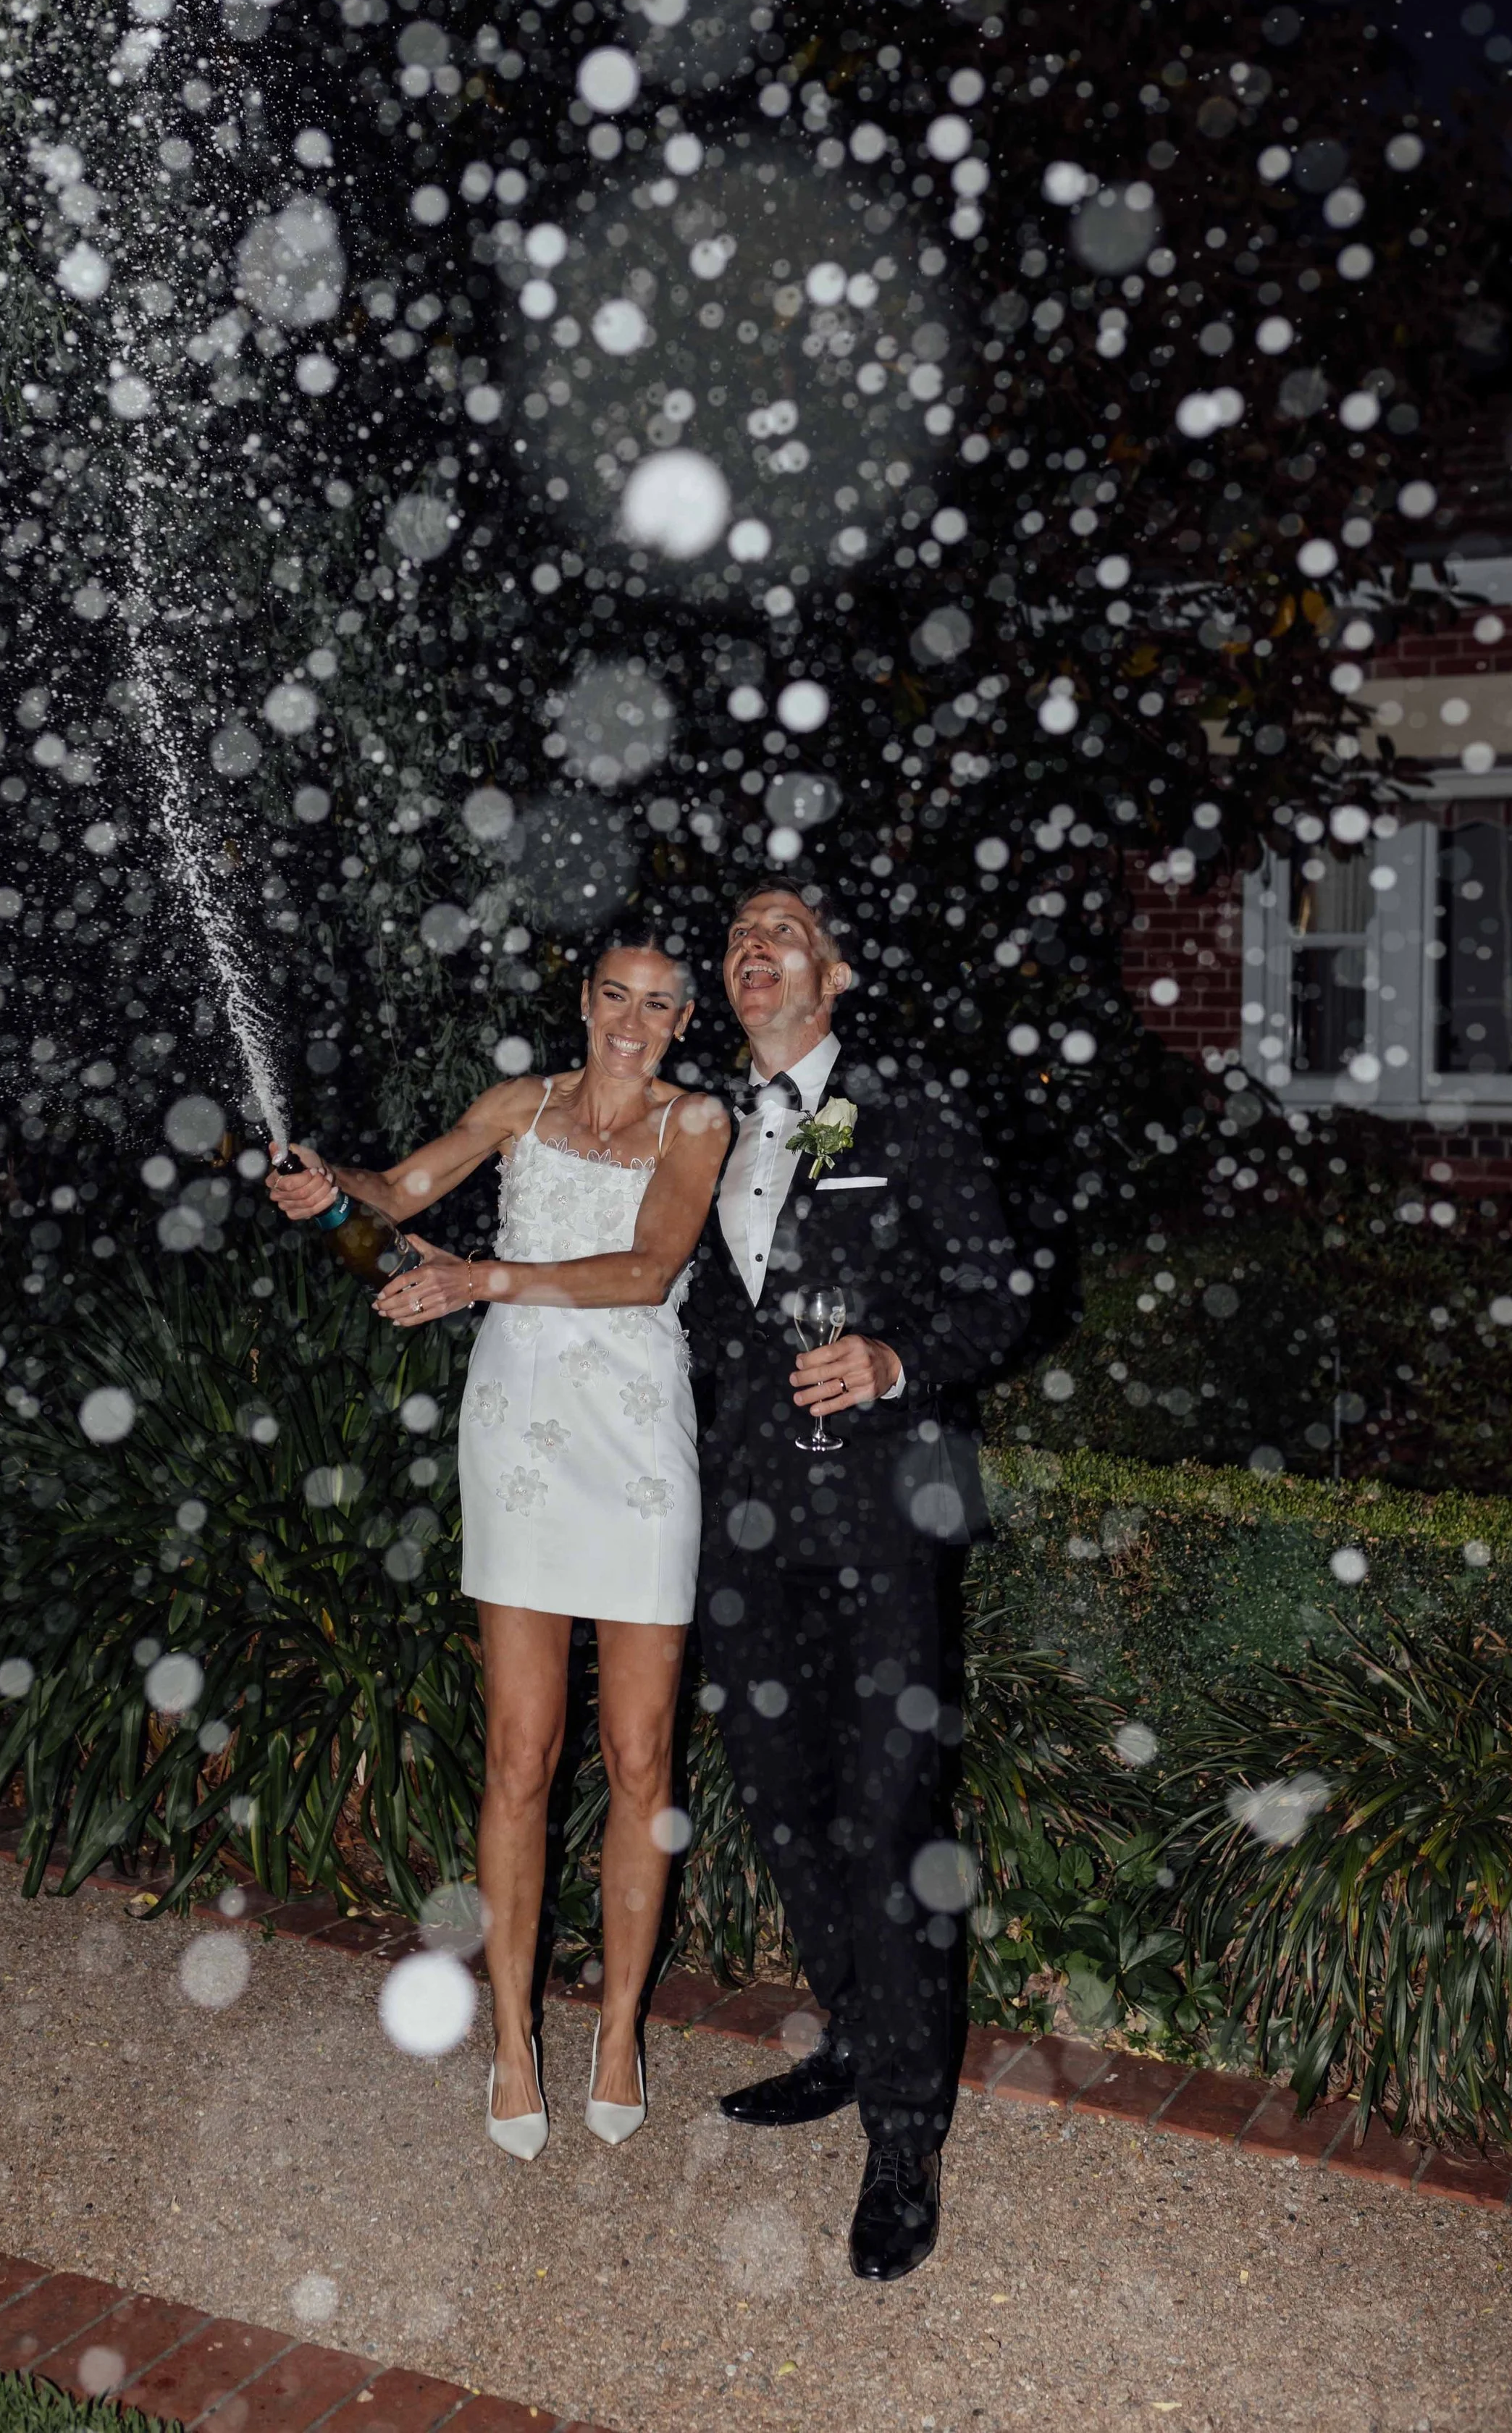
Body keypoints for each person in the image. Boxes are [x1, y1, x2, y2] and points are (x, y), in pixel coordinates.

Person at [268, 928, 728, 2161]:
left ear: (685, 1021)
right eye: (614, 997)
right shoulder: (517, 1105)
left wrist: (484, 1279)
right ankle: (516, 2038)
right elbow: (403, 1191)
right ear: (583, 1002)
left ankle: (620, 2024)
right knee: (520, 1753)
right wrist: (330, 1182)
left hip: (636, 1450)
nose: (632, 1023)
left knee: (640, 1755)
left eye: (658, 1006)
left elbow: (647, 1269)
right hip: (521, 1441)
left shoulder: (697, 1127)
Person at [685, 881, 1030, 2282]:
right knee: (781, 1801)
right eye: (736, 940)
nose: (750, 950)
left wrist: (897, 1360)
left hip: (882, 1525)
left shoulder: (910, 1115)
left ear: (834, 973)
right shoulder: (696, 1131)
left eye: (779, 932)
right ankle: (851, 2033)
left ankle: (905, 2131)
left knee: (890, 1824)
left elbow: (1002, 1288)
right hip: (747, 1529)